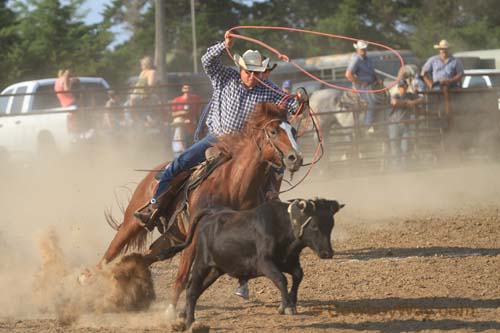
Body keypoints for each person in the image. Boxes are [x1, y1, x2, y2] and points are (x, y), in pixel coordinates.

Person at [134, 31, 305, 299]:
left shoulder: (264, 89)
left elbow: (287, 106)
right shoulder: (224, 77)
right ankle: (155, 204)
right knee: (178, 164)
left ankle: (249, 261)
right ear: (241, 68)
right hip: (216, 137)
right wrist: (222, 46)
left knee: (262, 188)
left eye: (256, 71)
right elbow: (207, 62)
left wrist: (300, 101)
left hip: (244, 145)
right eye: (249, 71)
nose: (252, 75)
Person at [345, 40, 382, 133]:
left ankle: (379, 122)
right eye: (362, 49)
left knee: (383, 97)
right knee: (372, 101)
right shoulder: (356, 60)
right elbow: (348, 75)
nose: (363, 50)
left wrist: (377, 78)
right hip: (362, 87)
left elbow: (373, 72)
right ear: (357, 49)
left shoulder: (368, 59)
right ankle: (367, 126)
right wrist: (360, 82)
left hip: (372, 85)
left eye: (365, 49)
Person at [388, 80, 423, 170]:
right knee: (395, 148)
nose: (403, 88)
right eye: (402, 87)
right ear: (399, 88)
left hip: (405, 124)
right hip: (394, 124)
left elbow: (422, 98)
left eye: (404, 86)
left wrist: (413, 102)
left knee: (405, 147)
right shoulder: (396, 95)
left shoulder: (409, 95)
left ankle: (404, 167)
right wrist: (408, 103)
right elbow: (394, 102)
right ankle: (397, 168)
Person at [169, 84, 203, 157]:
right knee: (181, 140)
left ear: (191, 89)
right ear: (182, 89)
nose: (187, 89)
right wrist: (181, 113)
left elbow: (199, 111)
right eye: (185, 87)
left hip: (193, 127)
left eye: (188, 87)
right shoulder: (176, 100)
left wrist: (199, 122)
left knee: (192, 144)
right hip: (181, 126)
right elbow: (172, 114)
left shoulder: (196, 99)